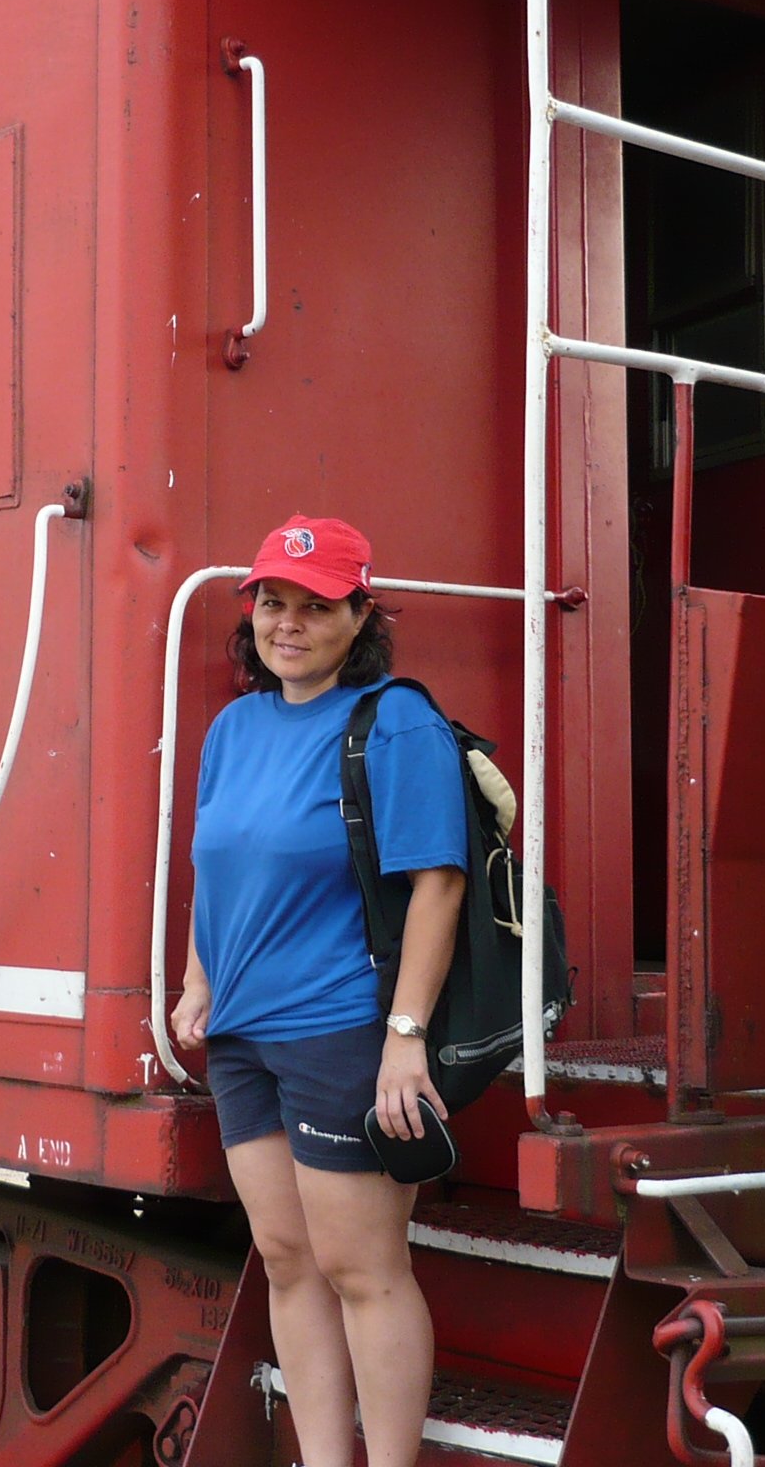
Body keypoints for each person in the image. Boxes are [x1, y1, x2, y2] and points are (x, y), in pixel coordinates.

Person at [171, 514, 469, 1467]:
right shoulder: (234, 726)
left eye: (315, 606)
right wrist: (195, 977)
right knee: (289, 1261)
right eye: (272, 602)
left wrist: (406, 1034)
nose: (288, 623)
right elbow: (216, 864)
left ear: (359, 617)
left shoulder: (395, 721)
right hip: (245, 1036)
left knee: (362, 1268)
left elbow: (439, 881)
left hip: (340, 1027)